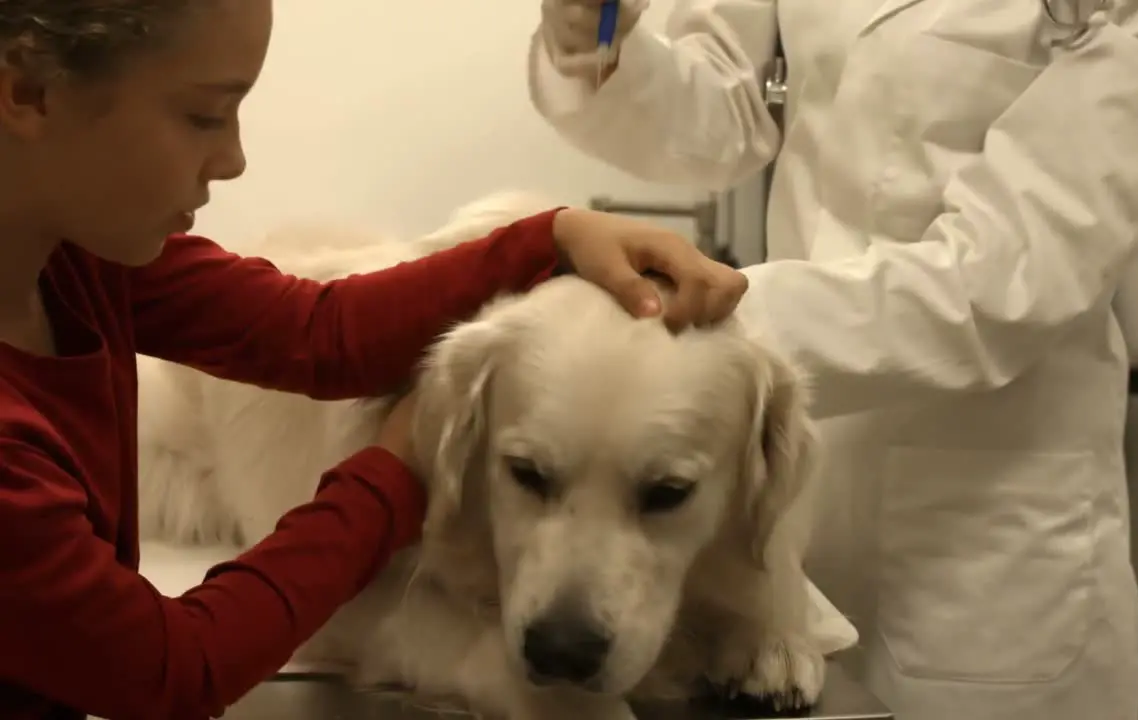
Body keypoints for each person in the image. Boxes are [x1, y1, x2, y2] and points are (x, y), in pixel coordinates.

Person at [0, 2, 749, 719]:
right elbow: (172, 672)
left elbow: (317, 333)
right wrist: (393, 474)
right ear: (28, 88)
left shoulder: (81, 260)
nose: (232, 160)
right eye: (204, 114)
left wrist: (551, 236)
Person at [528, 1, 1138, 719]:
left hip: (988, 537)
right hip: (788, 501)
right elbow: (726, 110)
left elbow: (1007, 278)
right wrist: (602, 44)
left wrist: (689, 315)